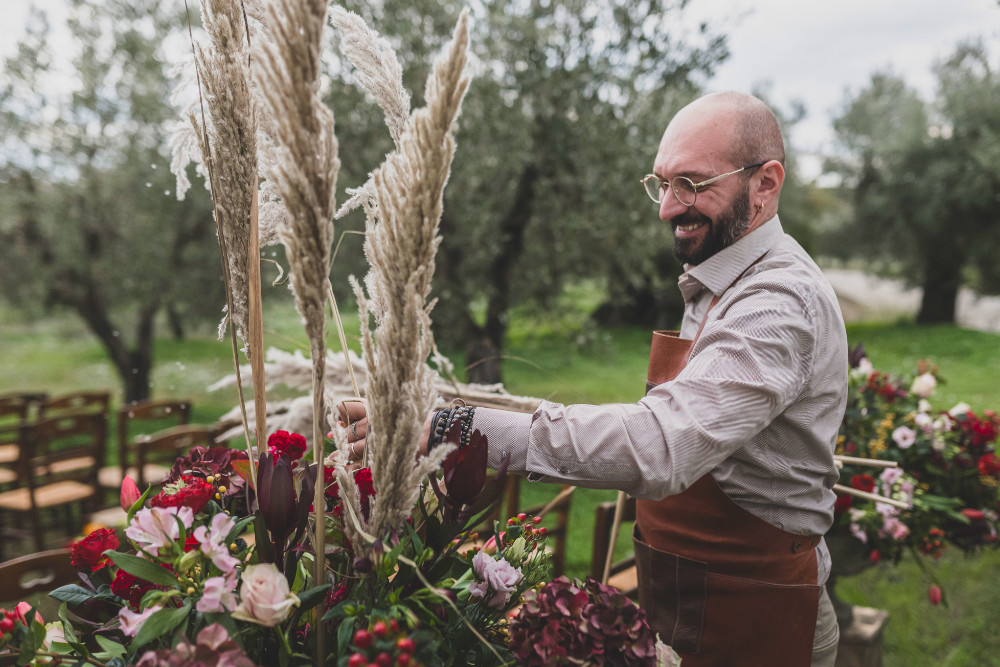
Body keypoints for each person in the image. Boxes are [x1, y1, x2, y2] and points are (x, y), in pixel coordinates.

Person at [341, 91, 847, 666]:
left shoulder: (775, 302)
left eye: (694, 184)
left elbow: (659, 445)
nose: (668, 207)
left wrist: (457, 428)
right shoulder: (726, 276)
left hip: (760, 620)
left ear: (766, 183)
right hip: (692, 599)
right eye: (662, 183)